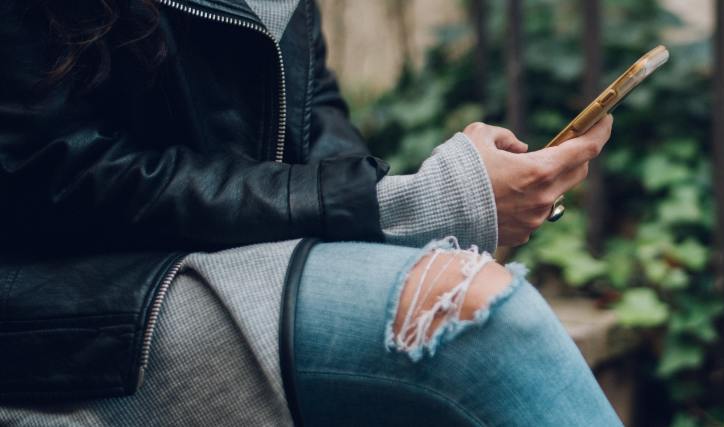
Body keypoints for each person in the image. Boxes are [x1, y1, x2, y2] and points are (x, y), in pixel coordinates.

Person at [0, 0, 623, 425]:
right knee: (475, 316)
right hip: (68, 299)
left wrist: (403, 211)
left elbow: (310, 112)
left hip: (230, 250)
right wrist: (409, 206)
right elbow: (52, 172)